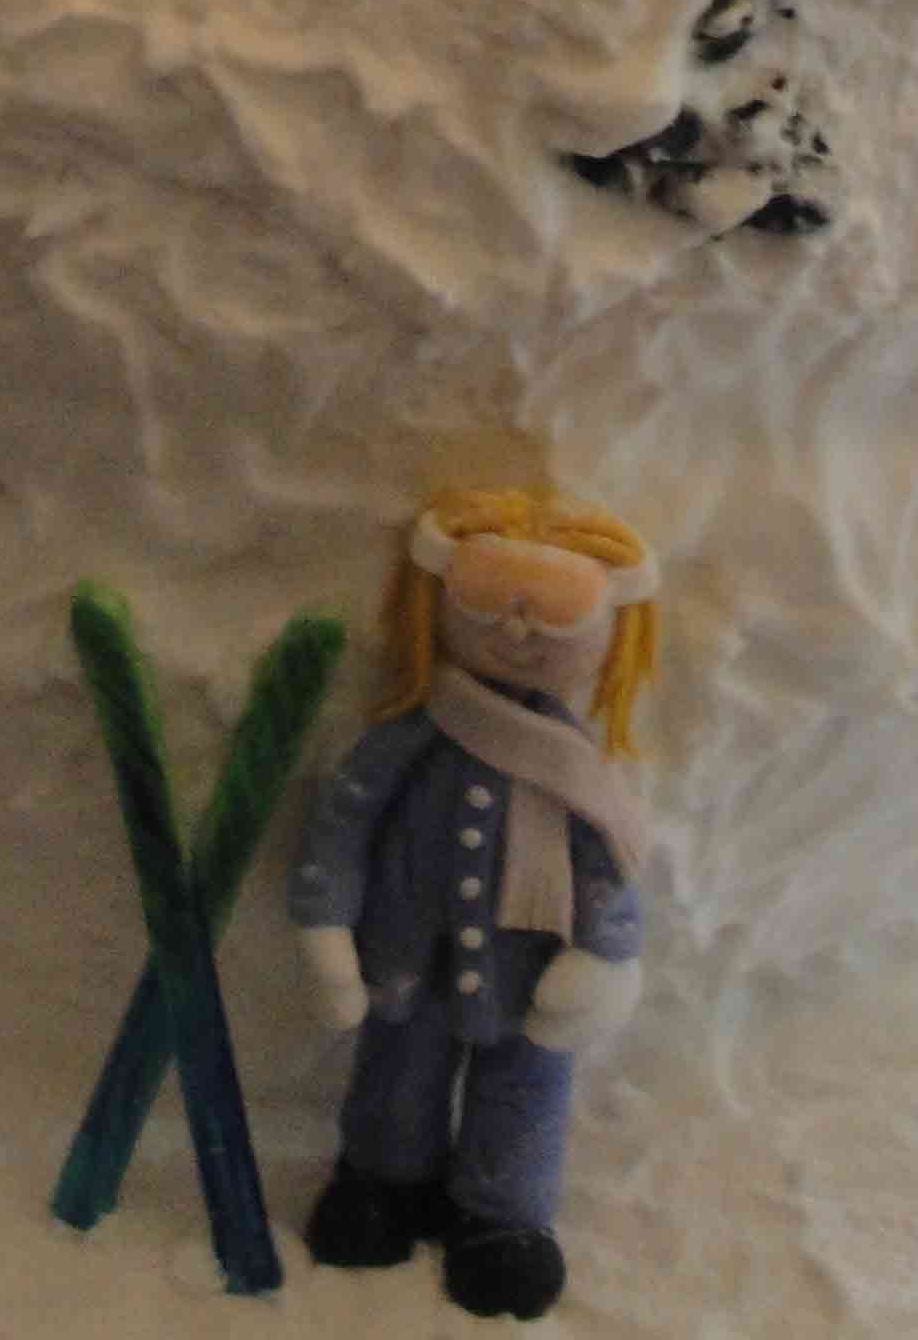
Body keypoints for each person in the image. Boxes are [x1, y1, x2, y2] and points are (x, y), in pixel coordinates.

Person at [291, 488, 661, 1325]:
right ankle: (385, 1184)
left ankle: (502, 1220)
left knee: (523, 1088)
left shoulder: (575, 766)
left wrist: (605, 951)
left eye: (555, 620)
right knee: (397, 1074)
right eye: (489, 608)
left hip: (530, 973)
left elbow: (606, 860)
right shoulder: (412, 732)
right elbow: (345, 818)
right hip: (408, 960)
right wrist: (325, 922)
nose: (519, 636)